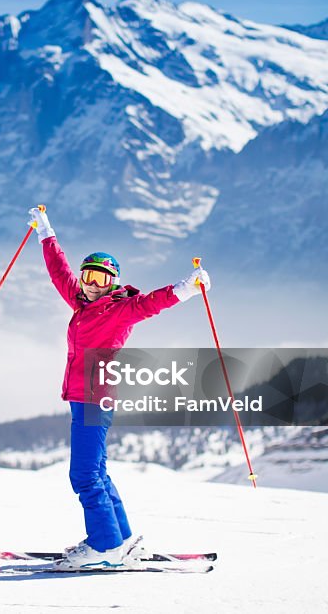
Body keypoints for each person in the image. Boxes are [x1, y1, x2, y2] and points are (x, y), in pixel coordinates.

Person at [28, 206, 211, 570]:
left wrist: (187, 288)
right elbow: (58, 272)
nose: (92, 284)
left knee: (83, 474)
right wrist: (45, 232)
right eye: (88, 276)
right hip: (83, 398)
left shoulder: (120, 309)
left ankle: (104, 545)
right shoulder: (80, 303)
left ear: (113, 283)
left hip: (94, 399)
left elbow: (152, 303)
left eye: (101, 278)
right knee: (97, 471)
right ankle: (121, 540)